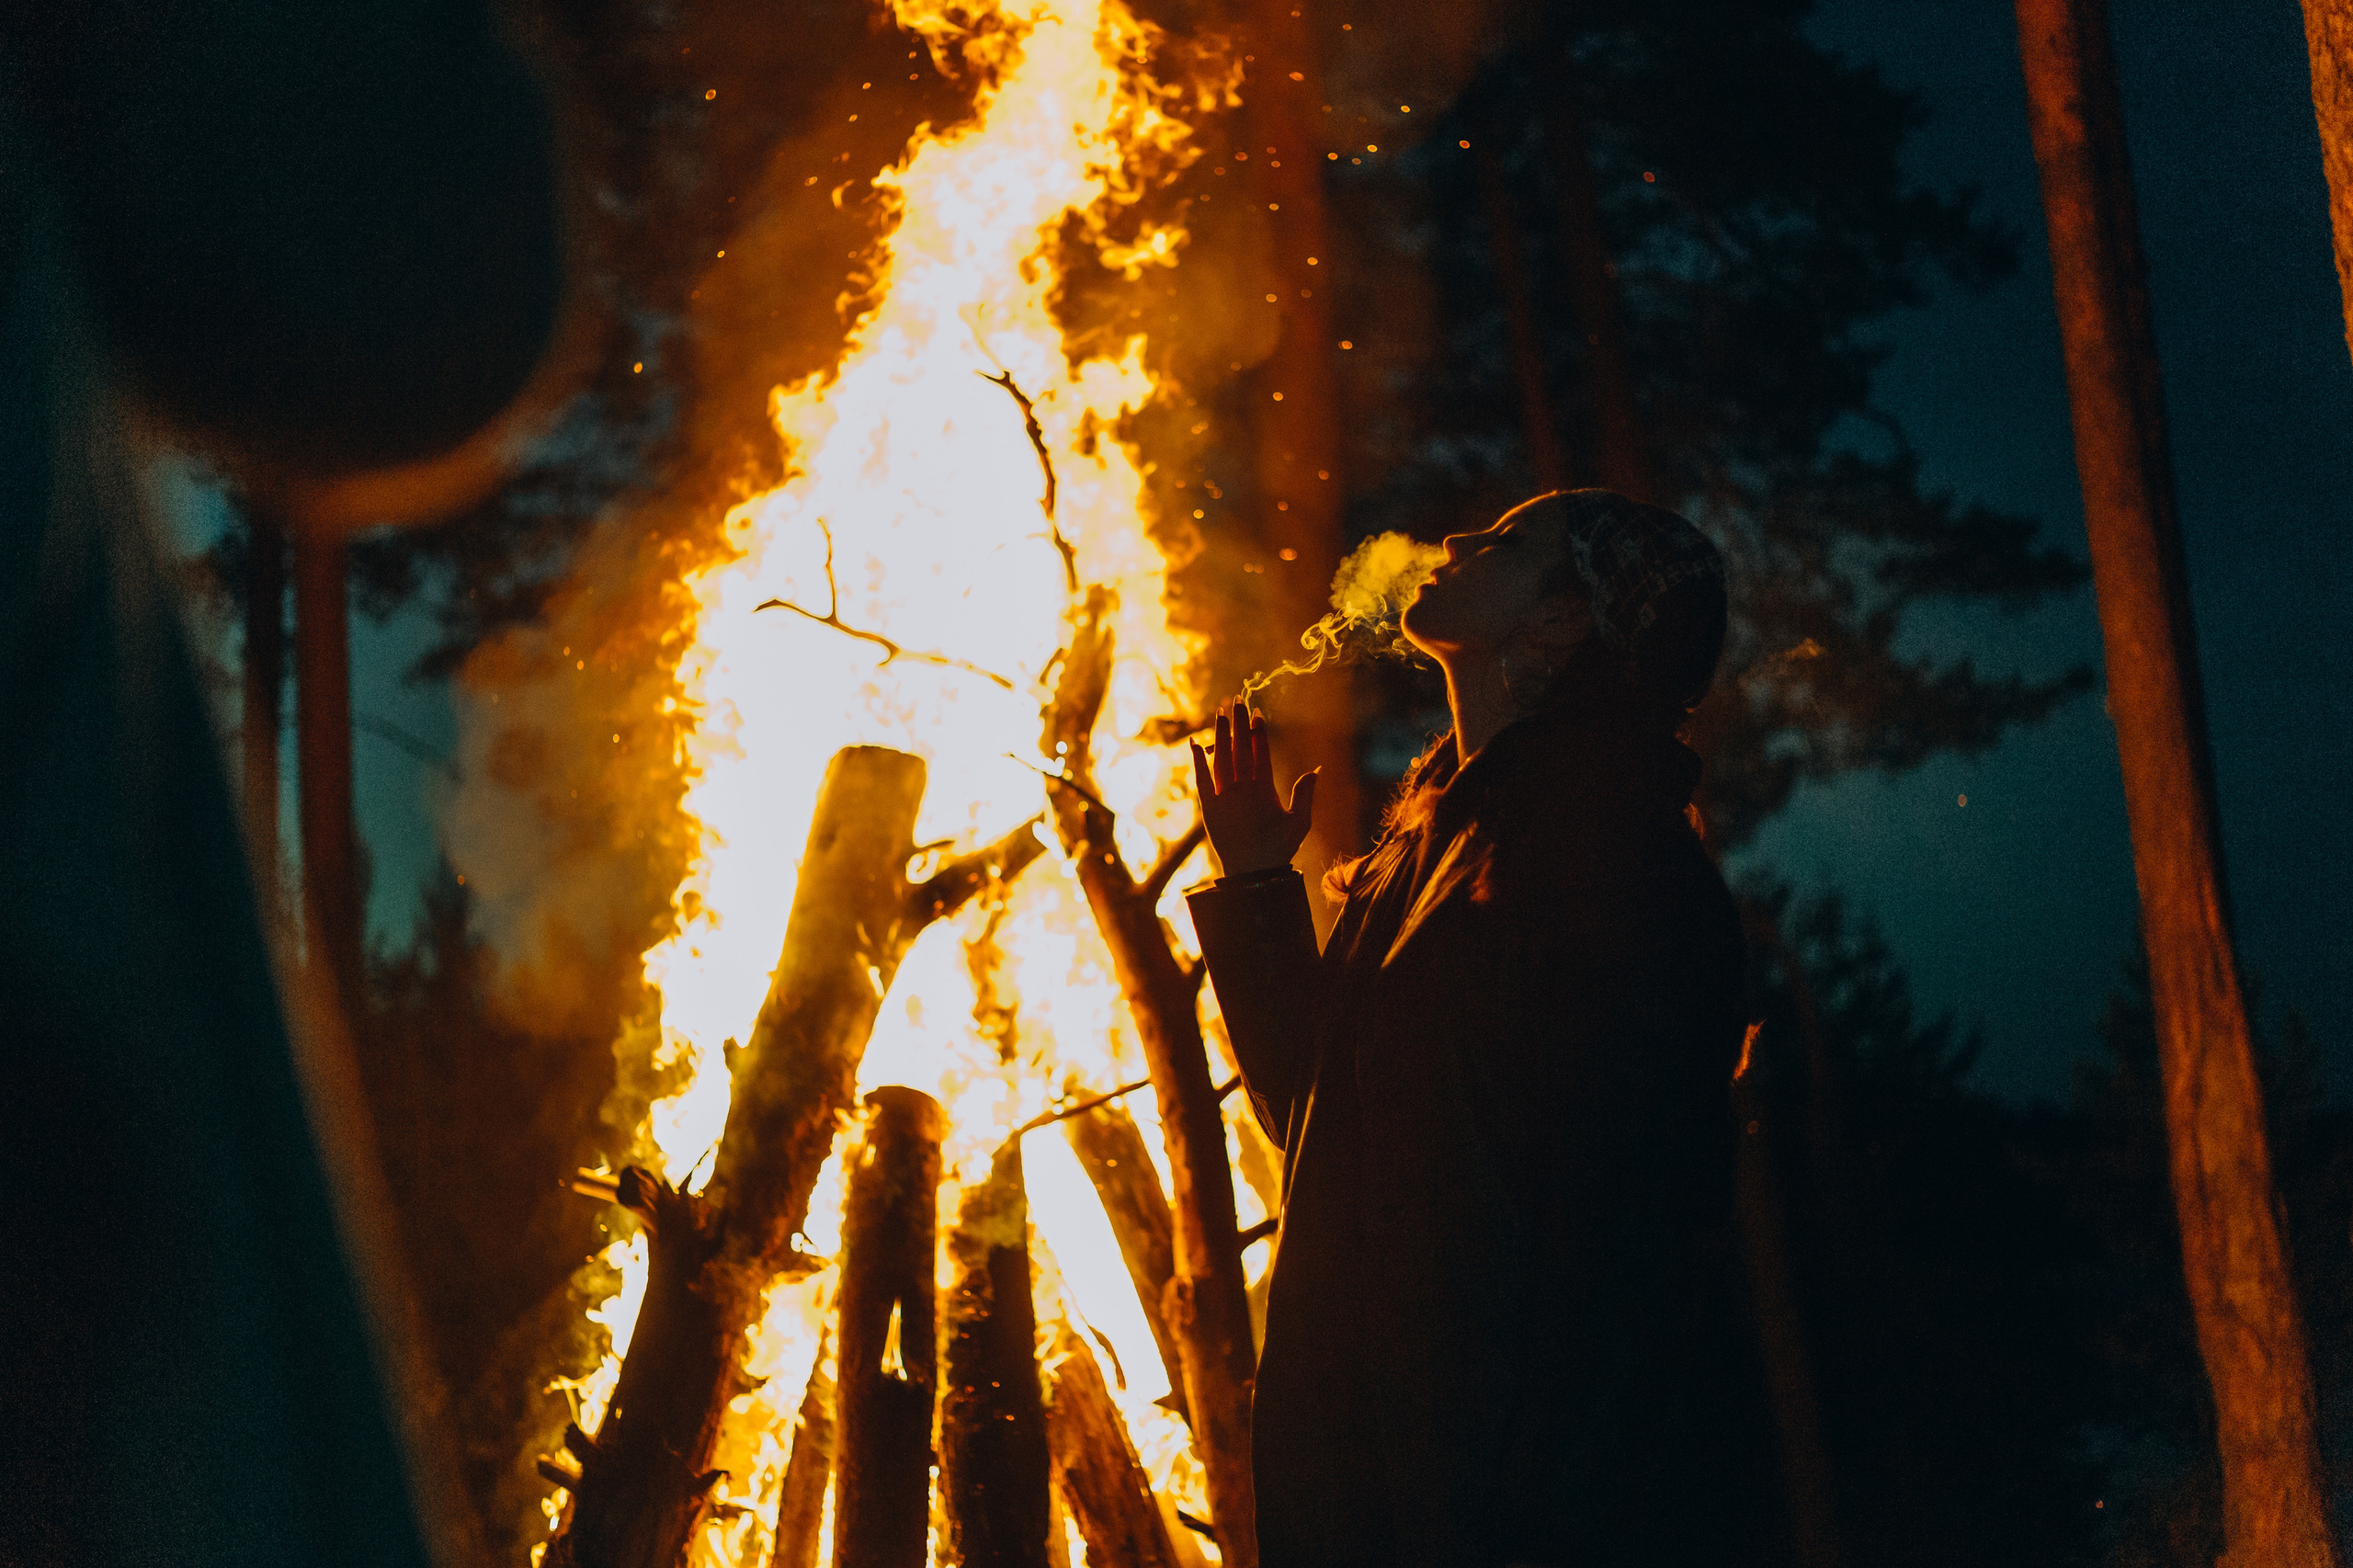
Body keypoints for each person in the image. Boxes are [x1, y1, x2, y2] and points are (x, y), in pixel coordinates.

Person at [1188, 490, 1782, 1567]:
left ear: (1562, 622)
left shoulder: (1621, 863)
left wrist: (1536, 1512)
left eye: (1510, 543)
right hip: (1364, 1470)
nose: (1458, 537)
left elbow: (1635, 1241)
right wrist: (1260, 881)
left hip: (1494, 1496)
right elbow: (1311, 1118)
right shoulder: (1422, 850)